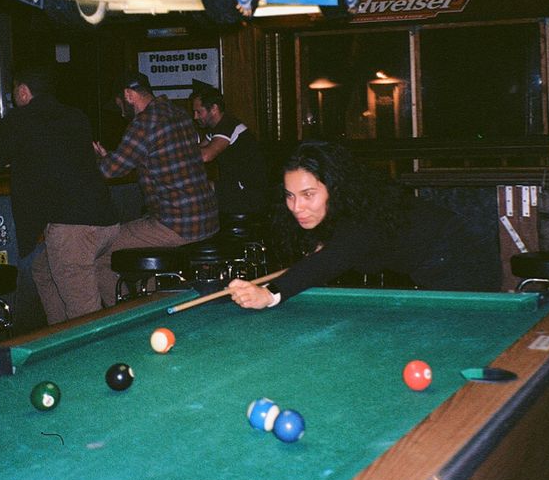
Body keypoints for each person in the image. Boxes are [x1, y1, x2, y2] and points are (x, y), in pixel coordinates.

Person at [227, 141, 499, 309]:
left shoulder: (361, 217)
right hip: (435, 261)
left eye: (308, 194)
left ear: (335, 188)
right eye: (290, 195)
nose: (297, 207)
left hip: (463, 258)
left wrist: (270, 294)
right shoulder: (345, 208)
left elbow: (330, 260)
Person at [0, 64, 120, 323]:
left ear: (23, 91)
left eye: (13, 90)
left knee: (85, 316)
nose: (12, 96)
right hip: (108, 223)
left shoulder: (19, 119)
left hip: (73, 229)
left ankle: (88, 350)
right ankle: (58, 338)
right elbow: (57, 158)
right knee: (43, 271)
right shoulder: (76, 116)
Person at [94, 72, 219, 298]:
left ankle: (122, 316)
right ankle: (149, 305)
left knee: (98, 253)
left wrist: (102, 159)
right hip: (207, 219)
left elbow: (110, 170)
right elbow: (155, 155)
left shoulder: (144, 122)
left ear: (128, 95)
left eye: (120, 104)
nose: (121, 112)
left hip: (176, 223)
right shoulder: (178, 113)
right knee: (142, 242)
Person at [191, 81, 269, 220]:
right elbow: (198, 149)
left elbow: (206, 155)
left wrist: (175, 151)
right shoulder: (217, 128)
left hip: (247, 195)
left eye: (199, 112)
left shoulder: (228, 125)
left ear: (214, 108)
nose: (195, 117)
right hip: (235, 189)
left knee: (193, 192)